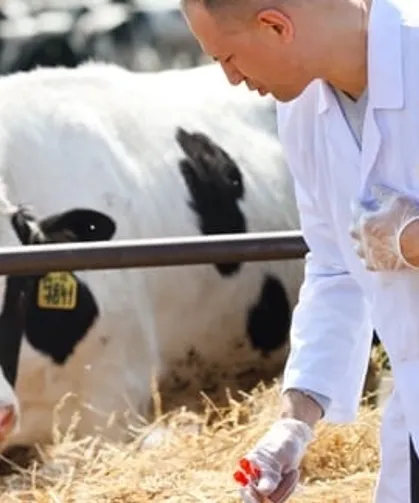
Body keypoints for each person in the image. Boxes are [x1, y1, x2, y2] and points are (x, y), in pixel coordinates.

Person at [180, 0, 419, 502]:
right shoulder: (302, 111)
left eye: (227, 57)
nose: (230, 79)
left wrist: (412, 238)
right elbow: (336, 267)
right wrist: (295, 424)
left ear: (274, 25)